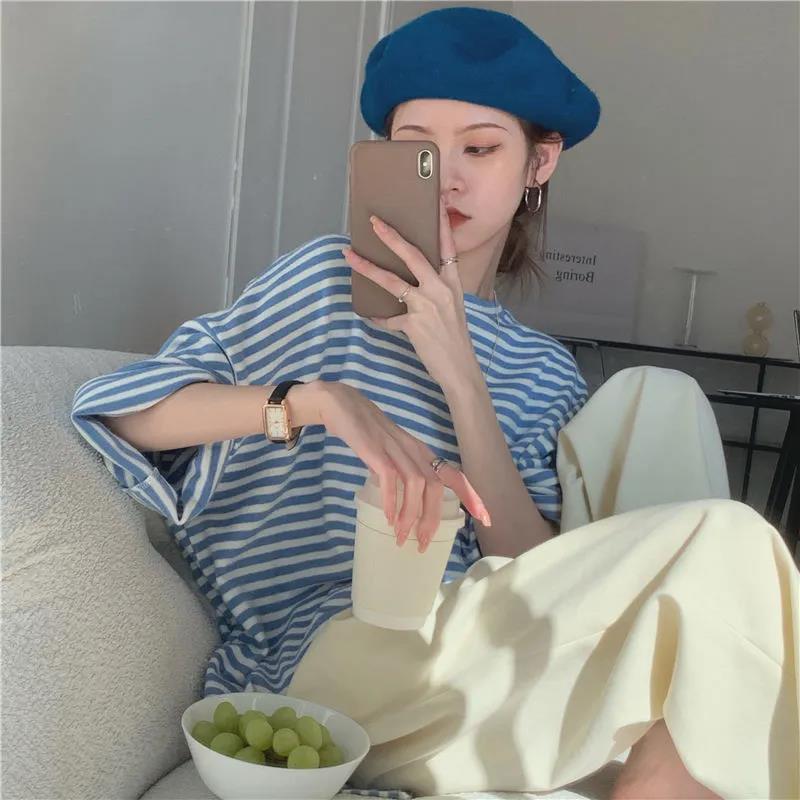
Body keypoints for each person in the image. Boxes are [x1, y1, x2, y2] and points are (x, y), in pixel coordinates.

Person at [70, 6, 799, 800]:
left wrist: (461, 373)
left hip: (481, 653)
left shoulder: (543, 369)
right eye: (417, 150)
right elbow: (122, 412)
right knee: (734, 546)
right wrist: (317, 401)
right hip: (329, 658)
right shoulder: (325, 282)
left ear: (538, 164)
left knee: (712, 550)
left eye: (480, 149)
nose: (447, 177)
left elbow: (526, 570)